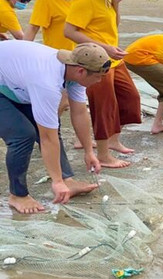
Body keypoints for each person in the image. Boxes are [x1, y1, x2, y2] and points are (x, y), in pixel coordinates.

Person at [0, 41, 108, 213]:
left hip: (15, 80)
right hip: (7, 83)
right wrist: (55, 182)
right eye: (98, 76)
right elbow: (47, 137)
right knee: (22, 135)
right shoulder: (46, 82)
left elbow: (79, 112)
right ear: (81, 71)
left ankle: (67, 180)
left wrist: (89, 151)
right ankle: (17, 195)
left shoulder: (74, 70)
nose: (100, 80)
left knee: (50, 124)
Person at [64, 0, 142, 169]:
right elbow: (69, 31)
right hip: (94, 61)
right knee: (104, 106)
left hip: (113, 59)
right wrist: (105, 48)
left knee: (130, 99)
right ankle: (104, 155)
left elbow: (114, 25)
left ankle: (114, 140)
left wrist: (116, 2)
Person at [25, 0, 90, 146]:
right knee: (60, 102)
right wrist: (23, 51)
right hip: (56, 58)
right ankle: (46, 135)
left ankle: (80, 139)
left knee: (79, 101)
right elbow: (33, 29)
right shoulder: (46, 1)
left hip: (80, 58)